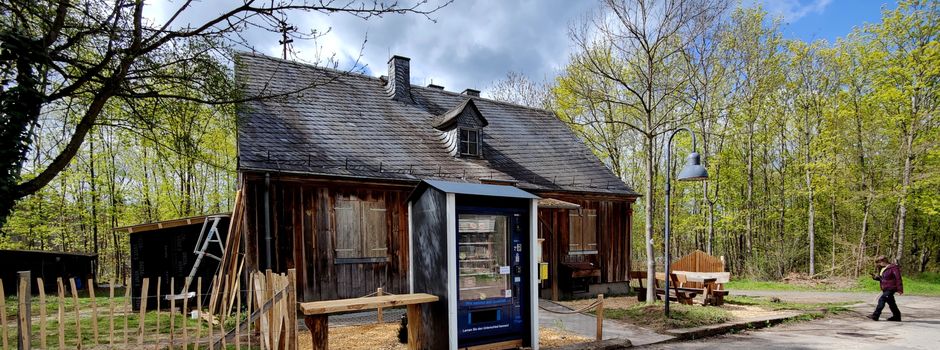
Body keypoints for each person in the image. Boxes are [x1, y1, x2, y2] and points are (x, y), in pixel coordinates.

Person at [869, 255, 903, 321]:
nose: (879, 264)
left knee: (881, 300)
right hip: (885, 288)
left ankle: (875, 315)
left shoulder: (893, 267)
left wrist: (900, 289)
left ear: (884, 261)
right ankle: (897, 316)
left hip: (891, 288)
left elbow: (898, 278)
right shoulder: (883, 268)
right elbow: (883, 279)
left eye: (879, 262)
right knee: (891, 303)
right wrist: (876, 278)